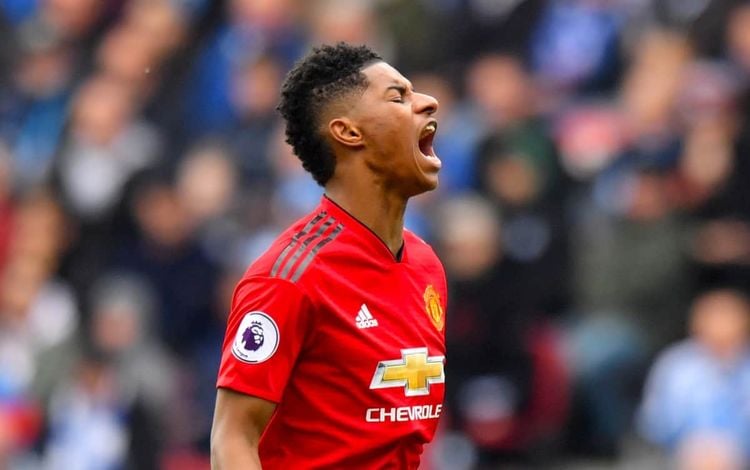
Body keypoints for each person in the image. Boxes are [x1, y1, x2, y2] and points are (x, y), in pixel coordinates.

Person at [210, 43, 447, 469]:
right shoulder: (289, 277)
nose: (428, 102)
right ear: (349, 132)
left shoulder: (427, 266)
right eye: (399, 97)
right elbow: (232, 437)